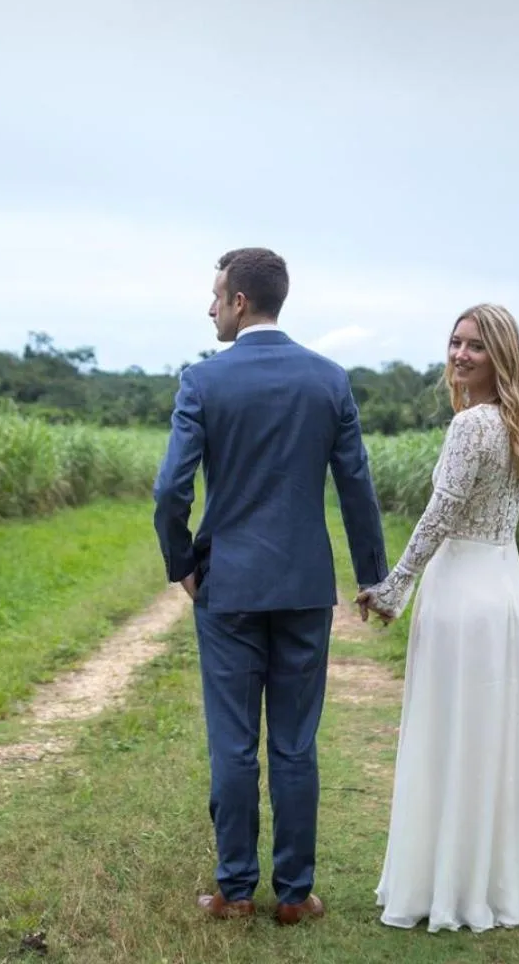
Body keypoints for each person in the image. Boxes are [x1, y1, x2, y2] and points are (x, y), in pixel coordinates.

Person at [152, 247, 390, 926]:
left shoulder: (202, 382)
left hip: (227, 589)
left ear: (240, 303)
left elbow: (170, 488)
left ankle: (233, 891)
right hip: (306, 588)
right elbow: (357, 489)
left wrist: (183, 563)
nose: (209, 308)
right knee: (294, 744)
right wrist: (372, 575)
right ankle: (294, 895)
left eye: (215, 295)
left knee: (233, 744)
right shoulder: (329, 380)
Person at [355, 302, 519, 933]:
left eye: (475, 347)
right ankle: (494, 882)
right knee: (490, 738)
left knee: (451, 732)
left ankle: (447, 887)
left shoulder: (471, 428)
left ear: (501, 355)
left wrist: (396, 587)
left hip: (460, 594)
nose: (459, 355)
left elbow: (440, 516)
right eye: (456, 343)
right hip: (505, 594)